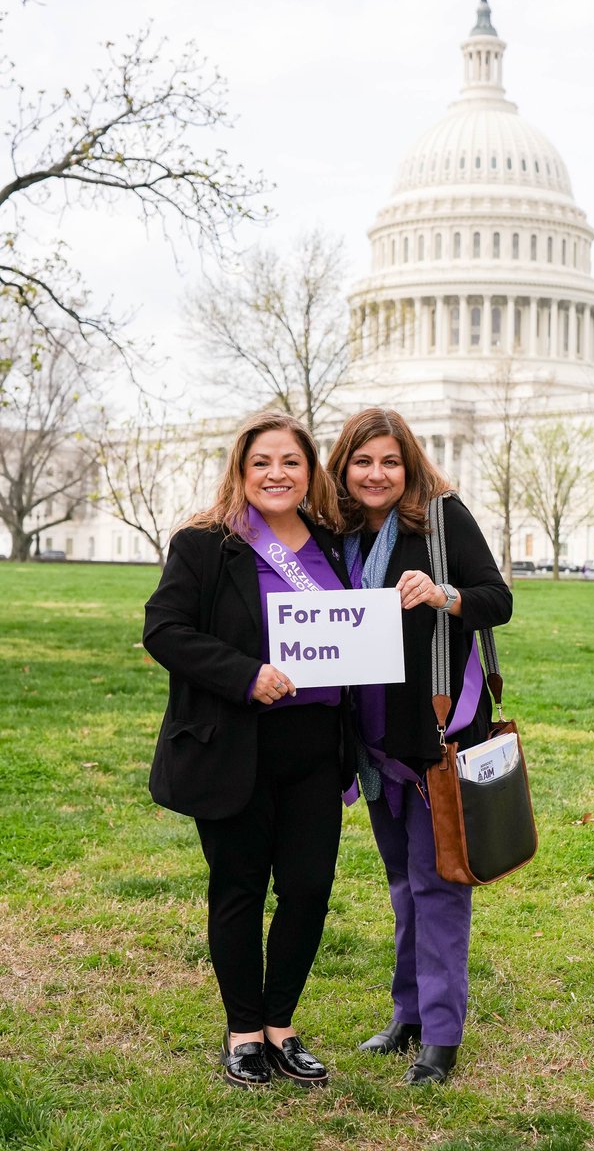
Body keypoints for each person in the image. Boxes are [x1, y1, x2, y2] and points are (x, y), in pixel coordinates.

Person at [143, 410, 354, 1090]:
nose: (276, 474)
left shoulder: (334, 544)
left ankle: (281, 1024)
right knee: (238, 889)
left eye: (291, 462)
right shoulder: (205, 544)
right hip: (234, 744)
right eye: (262, 462)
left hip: (316, 748)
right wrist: (245, 674)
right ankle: (243, 1031)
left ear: (309, 470)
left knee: (308, 890)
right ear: (241, 470)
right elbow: (164, 630)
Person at [327, 408, 512, 1085]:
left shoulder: (440, 519)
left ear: (409, 466)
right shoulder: (338, 534)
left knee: (438, 885)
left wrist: (444, 595)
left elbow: (498, 599)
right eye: (363, 461)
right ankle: (407, 1015)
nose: (376, 475)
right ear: (343, 467)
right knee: (402, 883)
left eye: (390, 461)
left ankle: (440, 1034)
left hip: (437, 735)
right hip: (373, 741)